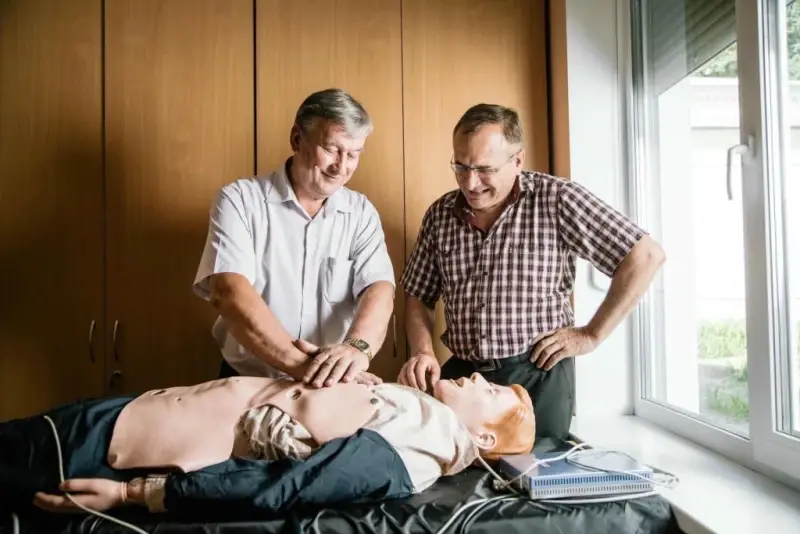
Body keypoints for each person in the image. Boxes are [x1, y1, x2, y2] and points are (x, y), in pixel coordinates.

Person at [398, 103, 666, 441]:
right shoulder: (440, 214)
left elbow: (645, 256)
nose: (470, 182)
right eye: (461, 166)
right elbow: (418, 294)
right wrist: (422, 351)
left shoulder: (557, 199)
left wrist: (591, 334)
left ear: (518, 160)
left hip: (537, 374)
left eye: (484, 169)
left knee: (535, 477)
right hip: (464, 377)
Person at [1, 372, 533, 518]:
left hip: (127, 447)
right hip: (138, 414)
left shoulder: (419, 447)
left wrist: (134, 495)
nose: (480, 377)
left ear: (483, 436)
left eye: (490, 392)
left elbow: (283, 487)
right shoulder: (416, 412)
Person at [193, 88, 395, 388]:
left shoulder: (361, 212)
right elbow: (229, 292)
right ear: (297, 139)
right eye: (332, 149)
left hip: (331, 385)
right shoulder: (239, 200)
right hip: (249, 382)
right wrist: (303, 366)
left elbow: (379, 288)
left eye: (353, 154)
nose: (341, 166)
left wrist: (357, 349)